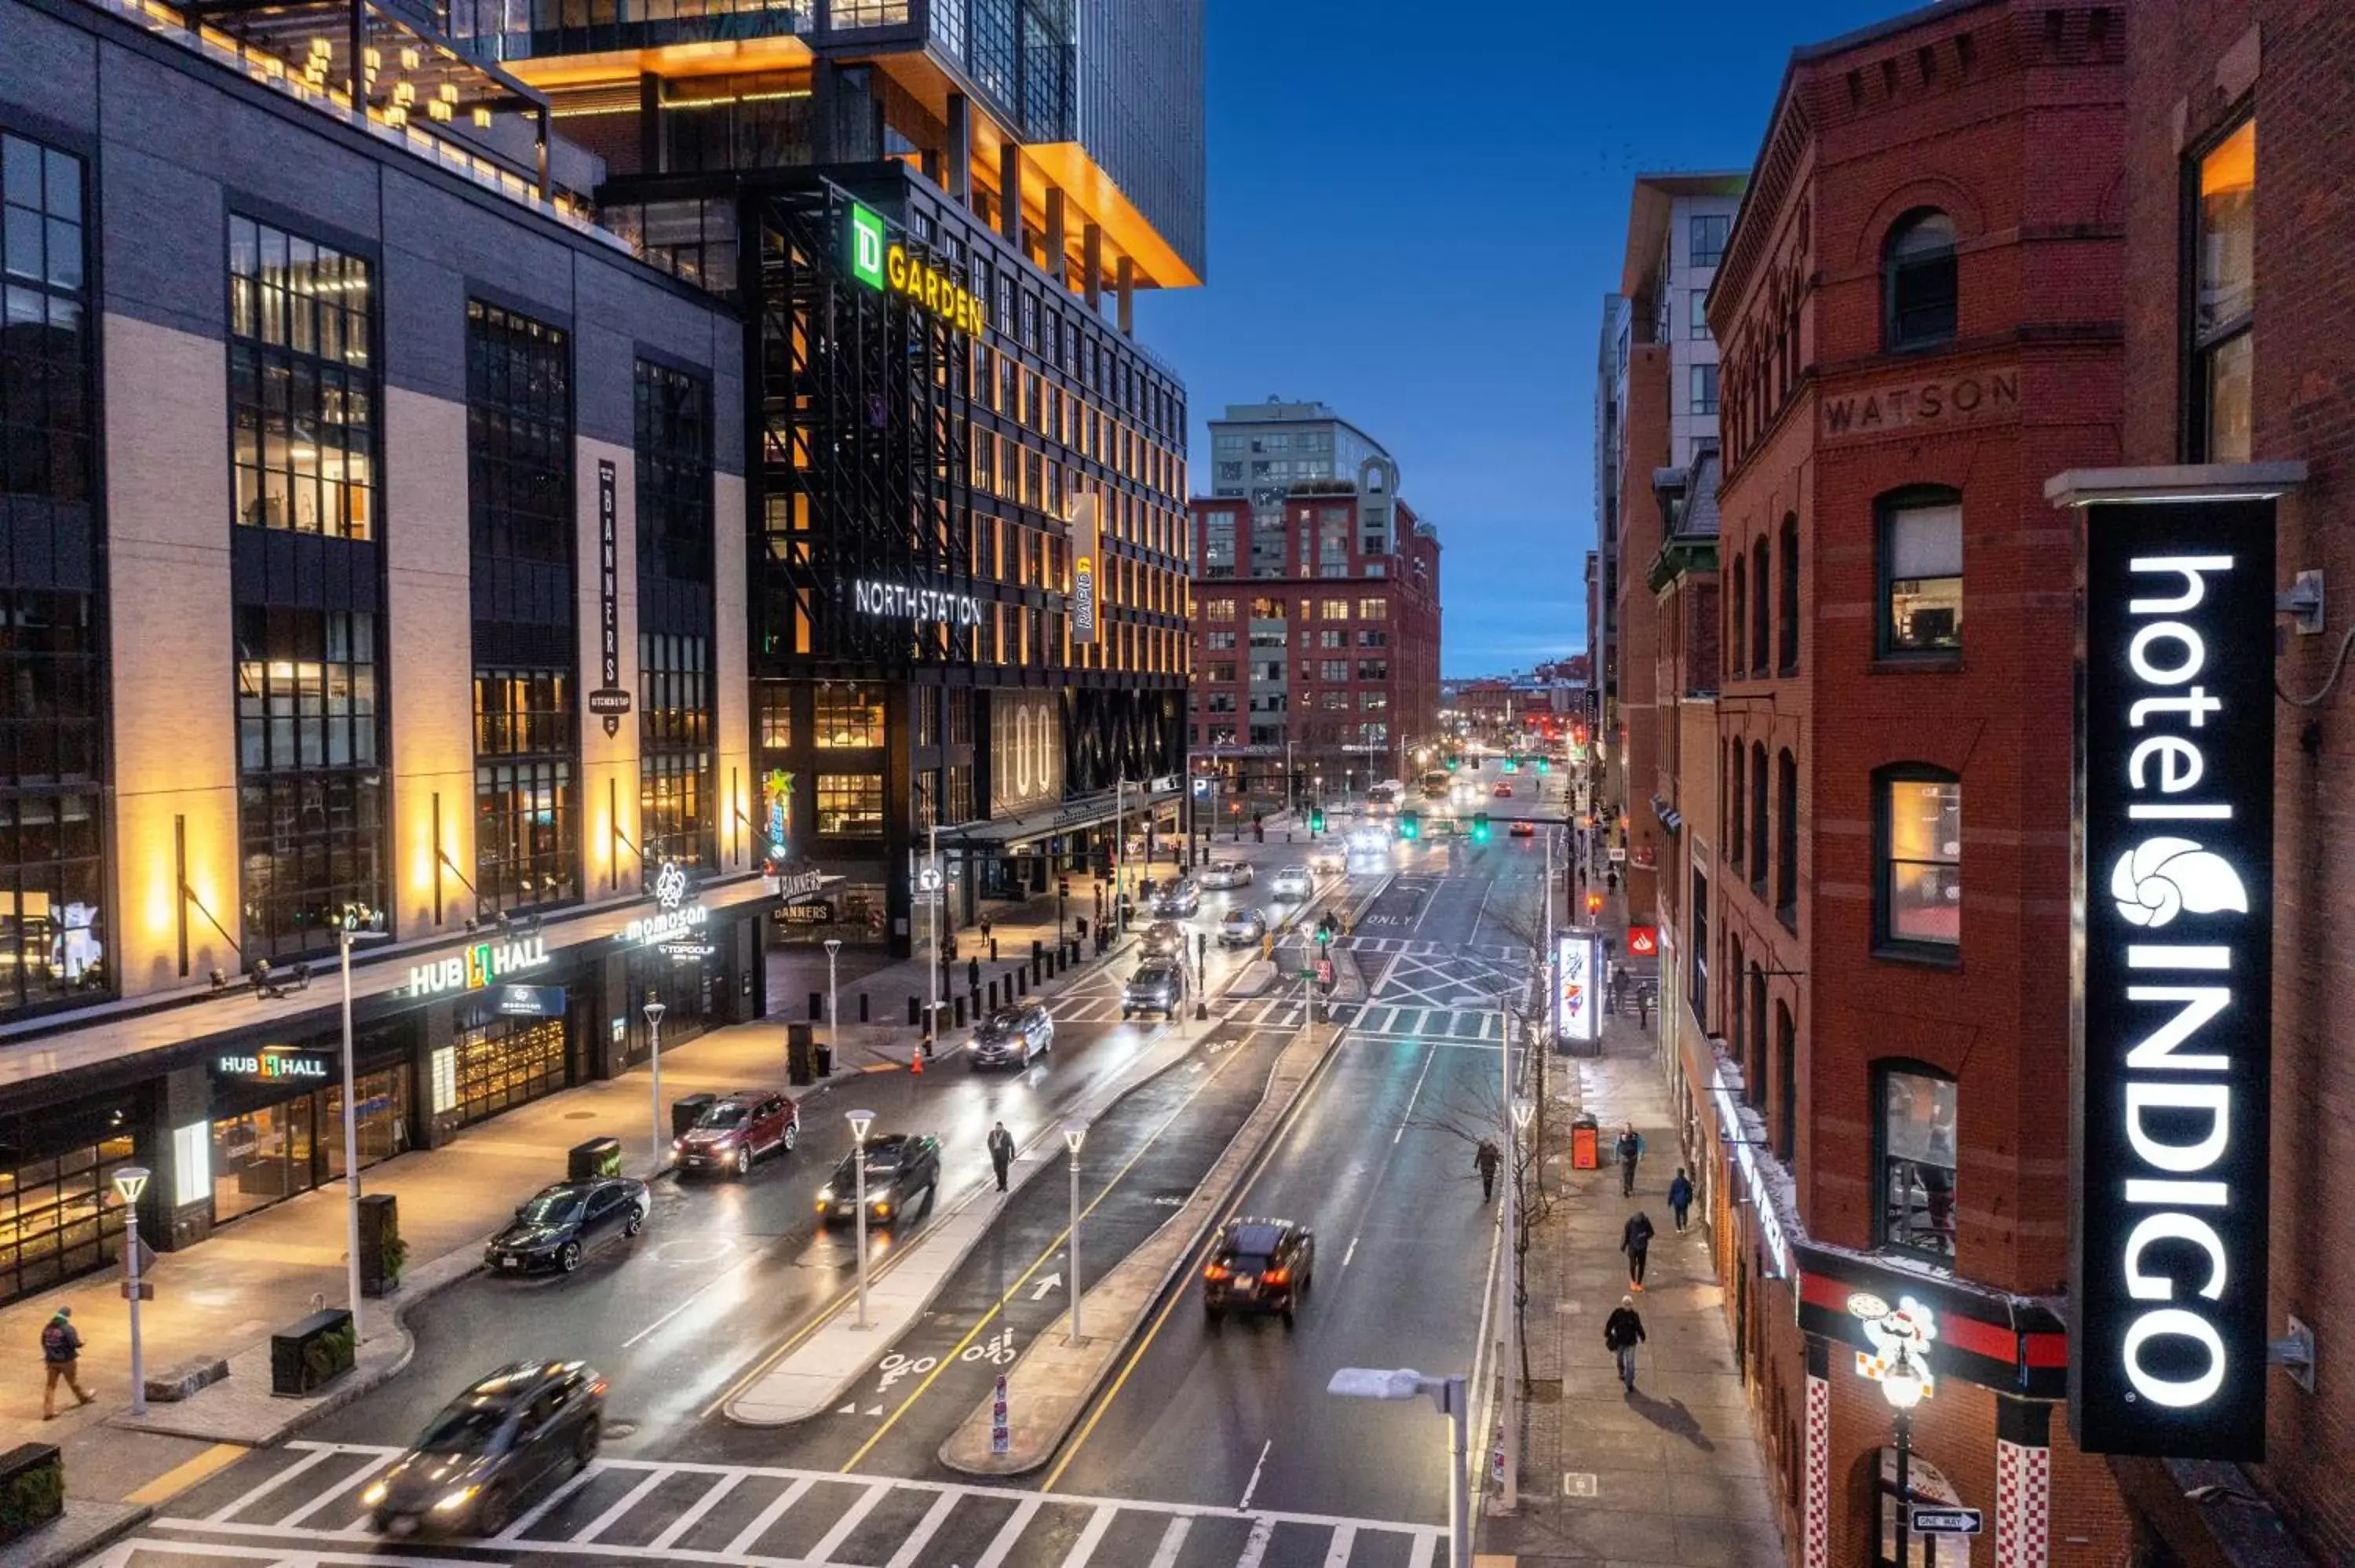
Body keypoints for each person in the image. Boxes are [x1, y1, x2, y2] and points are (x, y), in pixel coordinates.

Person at [42, 1307, 93, 1418]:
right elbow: (74, 1344)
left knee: (50, 1386)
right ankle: (83, 1397)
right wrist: (83, 1343)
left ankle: (48, 1411)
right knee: (73, 1381)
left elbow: (43, 1342)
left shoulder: (47, 1328)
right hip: (67, 1361)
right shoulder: (67, 1329)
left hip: (51, 1361)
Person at [1604, 1295, 1647, 1394]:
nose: (1628, 1306)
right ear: (1622, 1304)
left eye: (1629, 1304)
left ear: (1632, 1305)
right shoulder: (1617, 1313)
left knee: (1630, 1363)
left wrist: (1642, 1335)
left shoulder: (1634, 1315)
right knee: (1619, 1358)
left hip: (1631, 1342)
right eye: (1626, 1304)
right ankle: (1621, 1372)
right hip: (1620, 1341)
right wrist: (1607, 1332)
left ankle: (1629, 1382)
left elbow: (1638, 1327)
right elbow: (1610, 1323)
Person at [1621, 1210, 1656, 1290]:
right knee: (1632, 1264)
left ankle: (1639, 1283)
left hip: (1642, 1247)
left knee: (1642, 1265)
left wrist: (1644, 1235)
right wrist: (1624, 1245)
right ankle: (1633, 1281)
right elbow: (1626, 1234)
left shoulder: (1646, 1222)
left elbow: (1651, 1233)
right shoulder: (1630, 1222)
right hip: (1633, 1247)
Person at [987, 1121, 1015, 1194]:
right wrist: (991, 1151)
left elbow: (1012, 1145)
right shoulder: (992, 1133)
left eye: (999, 1128)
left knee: (1003, 1171)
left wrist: (1012, 1156)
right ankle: (1000, 1184)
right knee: (997, 1170)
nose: (997, 1129)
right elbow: (989, 1143)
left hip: (1004, 1156)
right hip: (995, 1156)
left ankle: (1005, 1185)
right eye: (996, 1127)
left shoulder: (1007, 1134)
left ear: (1002, 1127)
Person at [1616, 1122, 1643, 1198]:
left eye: (1629, 1128)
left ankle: (1630, 1187)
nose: (1628, 1130)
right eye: (1627, 1128)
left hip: (1633, 1158)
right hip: (1624, 1158)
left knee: (1631, 1174)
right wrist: (1616, 1157)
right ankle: (1625, 1190)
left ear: (1631, 1129)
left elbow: (1641, 1144)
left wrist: (1641, 1154)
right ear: (1624, 1129)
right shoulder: (1620, 1136)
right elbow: (1616, 1146)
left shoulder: (1636, 1136)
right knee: (1625, 1174)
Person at [1474, 1138, 1502, 1203]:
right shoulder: (1481, 1148)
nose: (1486, 1146)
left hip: (1491, 1168)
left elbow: (1497, 1156)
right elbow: (1478, 1155)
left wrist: (1500, 1162)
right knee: (1485, 1182)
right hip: (1484, 1168)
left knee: (1489, 1182)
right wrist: (1476, 1164)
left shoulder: (1493, 1148)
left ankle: (1488, 1195)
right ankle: (1487, 1196)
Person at [1668, 1167, 1694, 1233]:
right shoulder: (1687, 1183)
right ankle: (1684, 1226)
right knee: (1684, 1214)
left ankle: (1679, 1228)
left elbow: (1671, 1192)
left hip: (1676, 1201)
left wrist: (1670, 1201)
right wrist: (1690, 1200)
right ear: (1683, 1173)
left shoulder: (1674, 1182)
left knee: (1677, 1215)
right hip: (1684, 1201)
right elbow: (1690, 1192)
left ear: (1678, 1174)